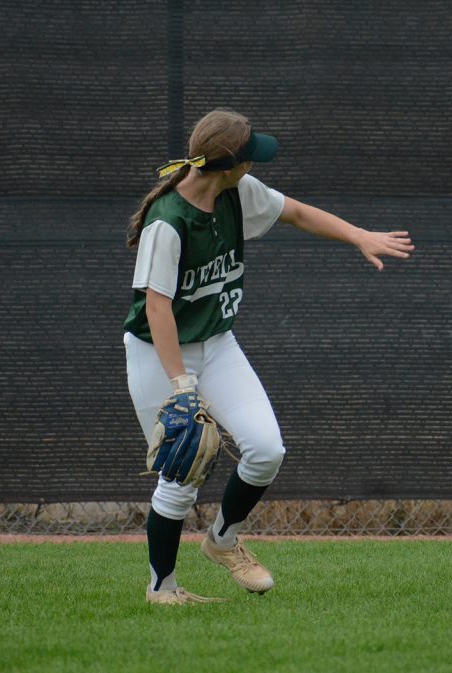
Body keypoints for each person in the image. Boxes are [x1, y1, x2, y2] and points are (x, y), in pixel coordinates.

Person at [124, 108, 414, 605]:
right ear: (227, 164)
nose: (256, 163)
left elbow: (297, 212)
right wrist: (180, 385)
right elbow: (157, 308)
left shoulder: (236, 193)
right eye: (250, 156)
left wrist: (358, 236)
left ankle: (221, 540)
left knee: (266, 449)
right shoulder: (168, 222)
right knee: (181, 472)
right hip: (159, 353)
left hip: (215, 344)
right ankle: (162, 588)